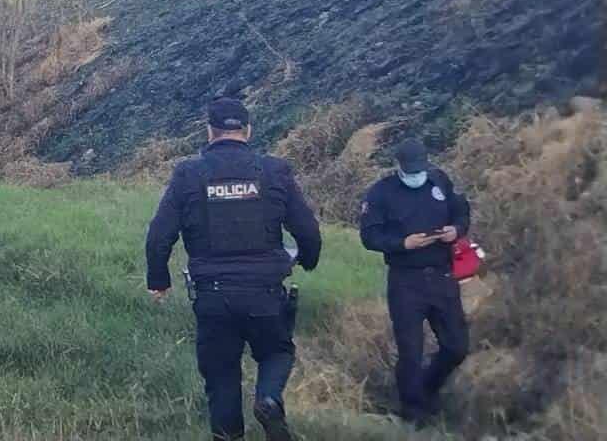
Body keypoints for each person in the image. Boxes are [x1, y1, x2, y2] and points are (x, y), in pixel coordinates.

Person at [145, 93, 322, 441]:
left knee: (222, 373)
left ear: (209, 132)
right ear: (248, 130)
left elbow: (158, 236)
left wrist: (159, 279)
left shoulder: (188, 174)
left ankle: (228, 436)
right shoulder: (274, 171)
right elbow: (307, 230)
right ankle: (269, 399)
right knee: (276, 352)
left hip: (213, 296)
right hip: (266, 293)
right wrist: (309, 260)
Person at [360, 138, 471, 426]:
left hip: (442, 276)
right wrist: (402, 243)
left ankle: (427, 387)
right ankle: (413, 414)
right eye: (409, 170)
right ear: (398, 166)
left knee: (456, 346)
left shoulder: (439, 180)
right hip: (405, 280)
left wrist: (455, 230)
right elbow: (369, 236)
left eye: (419, 169)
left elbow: (461, 210)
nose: (415, 175)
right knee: (410, 350)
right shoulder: (381, 193)